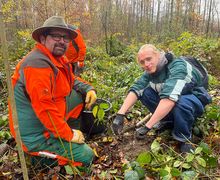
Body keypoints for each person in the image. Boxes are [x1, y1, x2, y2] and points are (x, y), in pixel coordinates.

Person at [9, 16, 97, 167]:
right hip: (37, 134)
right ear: (43, 39)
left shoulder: (58, 59)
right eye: (56, 36)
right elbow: (45, 108)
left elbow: (72, 79)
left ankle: (72, 131)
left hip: (50, 119)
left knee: (78, 96)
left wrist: (89, 89)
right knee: (86, 157)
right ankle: (36, 158)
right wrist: (68, 135)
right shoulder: (36, 64)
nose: (62, 41)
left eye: (66, 38)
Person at [112, 44, 212, 153]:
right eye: (142, 62)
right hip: (172, 100)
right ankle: (168, 121)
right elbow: (137, 88)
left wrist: (147, 126)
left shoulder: (178, 66)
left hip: (194, 98)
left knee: (180, 103)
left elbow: (169, 98)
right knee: (145, 92)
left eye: (149, 59)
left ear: (158, 55)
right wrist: (120, 114)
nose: (146, 64)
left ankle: (184, 137)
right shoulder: (151, 72)